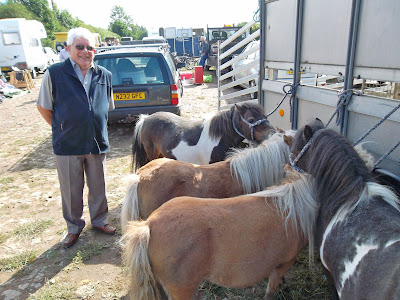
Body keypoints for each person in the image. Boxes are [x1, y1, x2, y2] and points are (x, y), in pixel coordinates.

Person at [37, 27, 116, 248]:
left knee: (98, 186)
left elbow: (106, 107)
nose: (85, 51)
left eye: (89, 47)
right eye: (79, 47)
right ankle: (73, 228)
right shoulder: (55, 73)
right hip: (68, 144)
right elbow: (43, 107)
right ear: (69, 48)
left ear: (95, 50)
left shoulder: (104, 75)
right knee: (71, 190)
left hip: (96, 142)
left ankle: (100, 221)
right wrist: (60, 127)